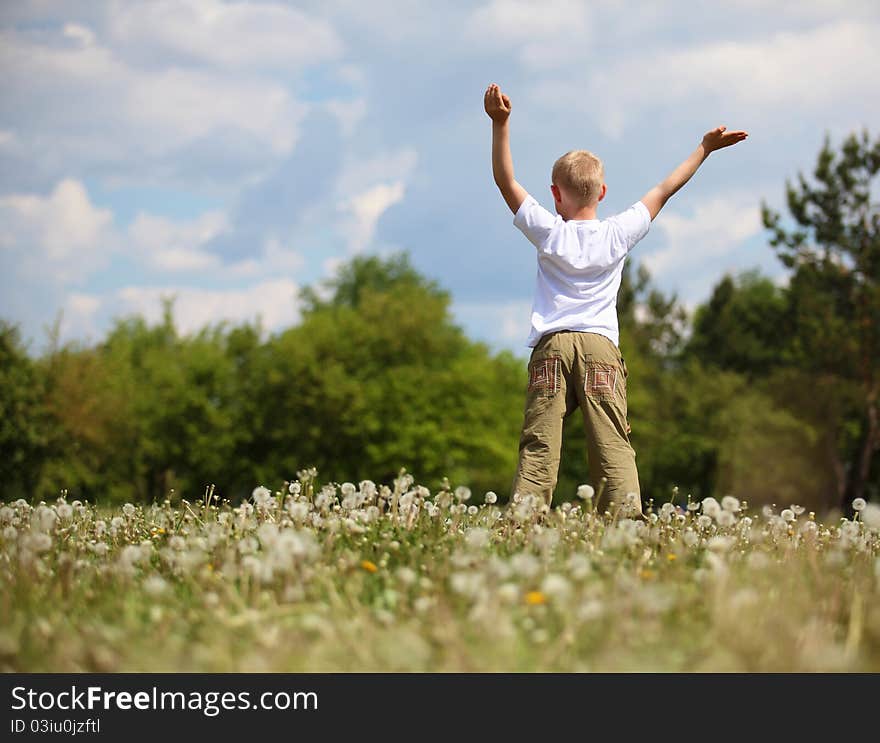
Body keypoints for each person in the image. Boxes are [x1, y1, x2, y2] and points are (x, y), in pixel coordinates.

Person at [484, 82, 747, 515]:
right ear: (602, 193)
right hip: (600, 350)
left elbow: (504, 180)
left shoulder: (550, 231)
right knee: (611, 442)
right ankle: (626, 524)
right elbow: (665, 189)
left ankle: (523, 522)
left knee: (539, 444)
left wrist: (500, 123)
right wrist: (704, 148)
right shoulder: (618, 232)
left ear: (554, 193)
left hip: (551, 348)